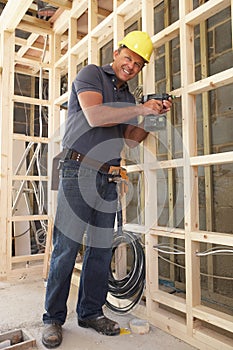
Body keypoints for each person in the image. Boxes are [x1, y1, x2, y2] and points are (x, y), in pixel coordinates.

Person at [42, 30, 172, 349]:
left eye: (138, 64)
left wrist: (153, 116)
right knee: (66, 247)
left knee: (101, 250)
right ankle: (53, 319)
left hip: (108, 176)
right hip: (76, 169)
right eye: (128, 58)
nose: (131, 66)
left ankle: (89, 312)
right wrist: (141, 108)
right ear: (116, 53)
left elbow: (129, 140)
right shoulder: (91, 74)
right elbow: (95, 115)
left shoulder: (128, 97)